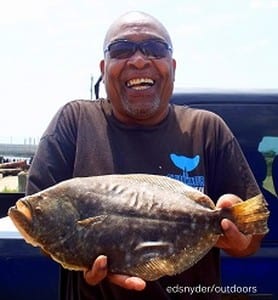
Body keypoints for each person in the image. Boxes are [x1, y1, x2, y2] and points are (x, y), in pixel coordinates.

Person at [26, 11, 266, 300]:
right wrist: (81, 255)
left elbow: (253, 235)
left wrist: (236, 237)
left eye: (155, 48)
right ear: (105, 67)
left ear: (172, 67)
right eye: (122, 49)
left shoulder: (207, 129)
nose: (139, 60)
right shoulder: (75, 122)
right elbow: (39, 228)